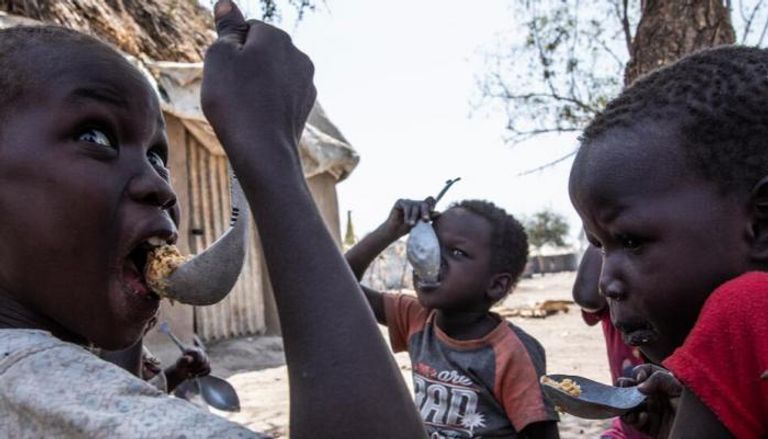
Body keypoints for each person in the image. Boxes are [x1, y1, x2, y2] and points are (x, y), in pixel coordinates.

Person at [0, 1, 427, 437]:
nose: (161, 187)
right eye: (96, 136)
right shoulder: (44, 388)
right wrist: (272, 156)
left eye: (157, 156)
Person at [568, 45, 768, 438]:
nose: (605, 283)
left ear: (762, 225)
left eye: (632, 241)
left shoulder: (748, 311)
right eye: (600, 245)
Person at [345, 198, 560, 438]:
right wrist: (389, 231)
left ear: (497, 285)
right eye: (432, 245)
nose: (432, 258)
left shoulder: (511, 352)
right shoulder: (417, 318)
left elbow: (541, 433)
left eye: (457, 252)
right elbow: (338, 284)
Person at [572, 245, 649, 439]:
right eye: (603, 247)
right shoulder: (615, 300)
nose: (605, 282)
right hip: (627, 429)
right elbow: (587, 297)